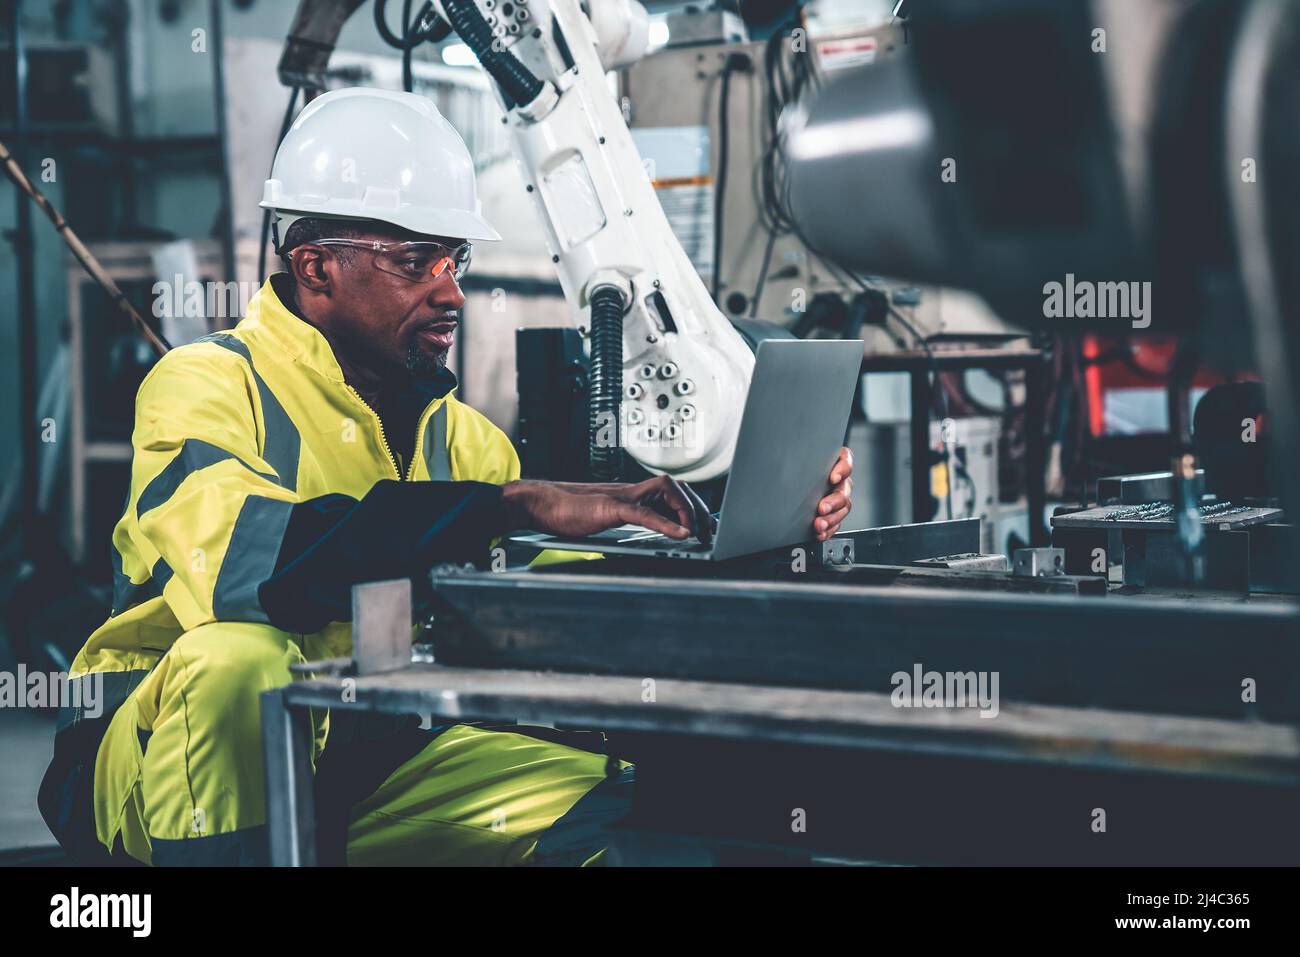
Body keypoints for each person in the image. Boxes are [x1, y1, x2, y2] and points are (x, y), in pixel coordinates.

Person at [39, 88, 853, 866]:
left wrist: (733, 525)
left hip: (376, 761)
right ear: (317, 267)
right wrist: (509, 505)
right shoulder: (204, 385)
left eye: (454, 260)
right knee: (238, 662)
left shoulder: (460, 437)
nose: (452, 291)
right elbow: (245, 570)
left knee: (633, 812)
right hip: (160, 777)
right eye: (416, 261)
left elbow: (552, 599)